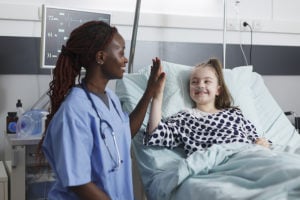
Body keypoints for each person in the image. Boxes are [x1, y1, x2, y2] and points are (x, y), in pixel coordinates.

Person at [37, 21, 165, 200]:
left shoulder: (110, 98)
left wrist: (150, 90)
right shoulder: (74, 111)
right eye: (121, 52)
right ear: (100, 57)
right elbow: (79, 183)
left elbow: (124, 133)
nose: (125, 59)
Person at [144, 58, 270, 157]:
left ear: (218, 90)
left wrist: (261, 145)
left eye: (207, 81)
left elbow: (256, 139)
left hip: (248, 155)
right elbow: (155, 133)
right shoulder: (185, 118)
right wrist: (157, 96)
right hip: (219, 163)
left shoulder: (235, 114)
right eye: (194, 81)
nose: (200, 85)